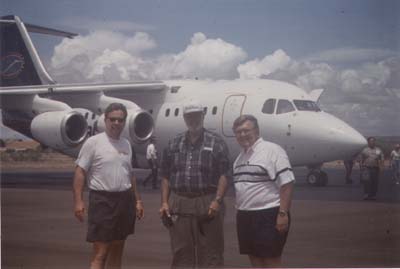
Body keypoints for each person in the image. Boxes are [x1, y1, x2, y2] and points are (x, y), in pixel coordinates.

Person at [159, 100, 230, 268]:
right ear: (184, 118)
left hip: (207, 201)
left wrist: (217, 200)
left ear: (203, 116)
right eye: (189, 116)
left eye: (197, 116)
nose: (193, 120)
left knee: (211, 251)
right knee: (181, 251)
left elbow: (224, 174)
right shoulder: (173, 143)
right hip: (179, 202)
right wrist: (164, 202)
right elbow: (165, 176)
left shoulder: (216, 142)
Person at [73, 103, 144, 269]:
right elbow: (80, 172)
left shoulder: (126, 145)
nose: (116, 123)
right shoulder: (94, 142)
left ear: (124, 122)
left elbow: (130, 175)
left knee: (118, 248)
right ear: (105, 120)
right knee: (100, 253)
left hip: (125, 200)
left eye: (120, 120)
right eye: (113, 119)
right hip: (103, 201)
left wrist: (137, 200)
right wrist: (78, 201)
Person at [231, 114, 295, 268]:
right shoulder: (239, 159)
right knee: (255, 259)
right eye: (238, 132)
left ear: (257, 131)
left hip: (268, 214)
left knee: (270, 260)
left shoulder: (272, 150)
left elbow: (287, 183)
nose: (242, 135)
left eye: (246, 130)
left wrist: (283, 214)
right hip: (245, 216)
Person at [360, 136, 384, 201]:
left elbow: (382, 158)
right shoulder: (365, 150)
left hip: (375, 168)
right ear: (368, 142)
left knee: (374, 182)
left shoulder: (378, 150)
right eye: (370, 141)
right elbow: (361, 159)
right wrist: (361, 167)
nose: (372, 142)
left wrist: (382, 167)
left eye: (373, 141)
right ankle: (366, 194)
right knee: (366, 182)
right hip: (366, 168)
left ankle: (373, 195)